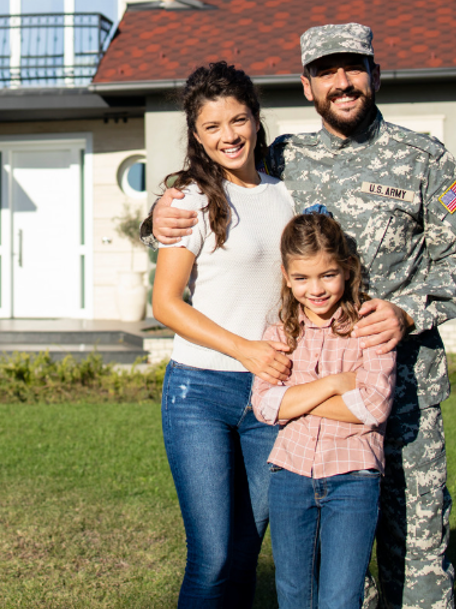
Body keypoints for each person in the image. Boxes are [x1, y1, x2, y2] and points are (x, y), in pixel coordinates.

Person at [149, 23, 456, 609]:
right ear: (306, 87)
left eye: (354, 68)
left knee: (417, 556)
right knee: (327, 564)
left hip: (404, 394)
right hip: (313, 395)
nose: (343, 82)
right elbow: (215, 198)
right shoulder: (288, 160)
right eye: (327, 72)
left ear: (375, 75)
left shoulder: (424, 158)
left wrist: (408, 311)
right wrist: (157, 212)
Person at [151, 61, 295, 608]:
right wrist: (246, 350)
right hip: (200, 394)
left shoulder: (286, 196)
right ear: (196, 135)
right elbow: (165, 304)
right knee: (211, 558)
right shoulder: (189, 200)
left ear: (257, 121)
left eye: (237, 120)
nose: (228, 136)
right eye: (212, 127)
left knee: (244, 553)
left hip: (267, 397)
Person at [252, 209, 396, 609]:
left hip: (353, 479)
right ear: (286, 275)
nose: (315, 289)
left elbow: (372, 404)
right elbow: (265, 405)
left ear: (347, 270)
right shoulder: (279, 333)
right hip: (290, 477)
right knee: (295, 594)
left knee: (340, 598)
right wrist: (333, 385)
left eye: (327, 275)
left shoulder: (368, 328)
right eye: (301, 278)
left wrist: (296, 399)